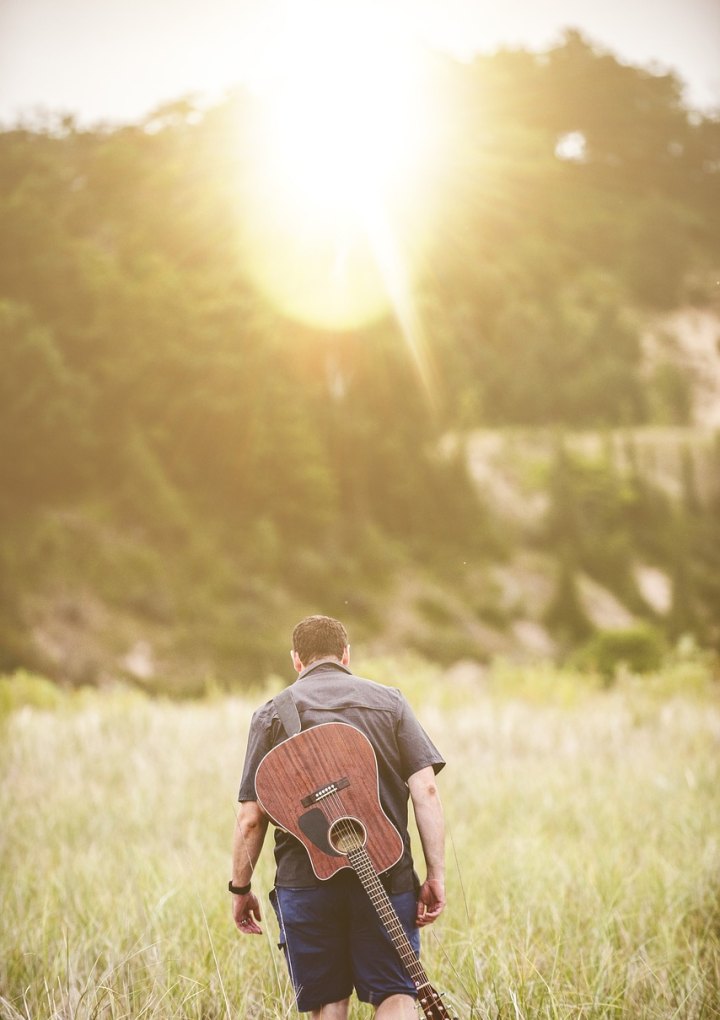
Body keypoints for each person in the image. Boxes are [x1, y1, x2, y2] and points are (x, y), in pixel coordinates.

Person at [231, 614, 446, 1019]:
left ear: (297, 660)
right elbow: (427, 791)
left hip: (305, 882)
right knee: (397, 994)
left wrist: (239, 888)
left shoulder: (270, 716)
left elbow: (250, 819)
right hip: (386, 871)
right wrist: (435, 875)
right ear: (346, 654)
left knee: (329, 1003)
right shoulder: (390, 702)